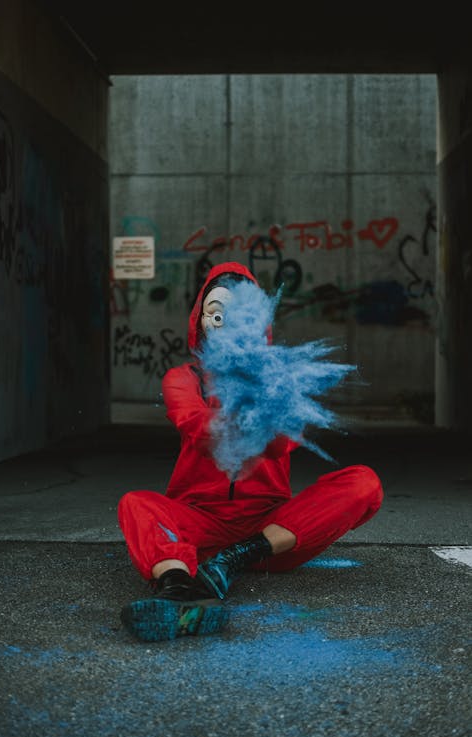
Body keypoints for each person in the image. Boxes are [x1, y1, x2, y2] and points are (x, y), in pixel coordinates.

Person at [118, 261, 383, 642]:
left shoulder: (278, 380)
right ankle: (178, 589)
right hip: (199, 521)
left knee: (364, 484)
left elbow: (282, 443)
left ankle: (233, 560)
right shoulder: (183, 378)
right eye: (217, 314)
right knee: (135, 504)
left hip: (271, 532)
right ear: (200, 320)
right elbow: (194, 425)